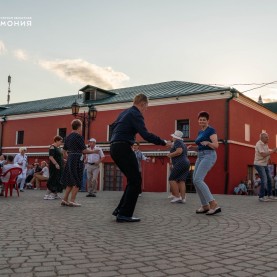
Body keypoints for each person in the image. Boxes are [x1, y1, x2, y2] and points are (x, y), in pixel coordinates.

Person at [110, 93, 171, 222]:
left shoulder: (124, 113)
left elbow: (114, 127)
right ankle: (124, 214)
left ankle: (120, 210)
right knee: (136, 181)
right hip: (123, 147)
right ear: (142, 103)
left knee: (133, 179)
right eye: (146, 106)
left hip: (114, 147)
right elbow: (145, 134)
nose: (146, 109)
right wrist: (164, 142)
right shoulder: (136, 113)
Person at [60, 119, 99, 207]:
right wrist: (94, 151)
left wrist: (67, 157)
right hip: (77, 159)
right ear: (79, 127)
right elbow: (84, 150)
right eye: (81, 126)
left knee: (70, 181)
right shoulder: (78, 136)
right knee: (77, 181)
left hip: (70, 158)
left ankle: (64, 199)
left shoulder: (68, 137)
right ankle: (72, 201)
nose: (81, 128)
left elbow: (64, 150)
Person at [192, 111, 221, 215]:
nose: (202, 121)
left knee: (198, 179)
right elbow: (201, 146)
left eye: (204, 119)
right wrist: (194, 148)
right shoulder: (200, 132)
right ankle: (205, 205)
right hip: (200, 155)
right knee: (195, 180)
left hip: (209, 155)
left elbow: (216, 145)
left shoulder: (211, 130)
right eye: (200, 119)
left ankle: (213, 204)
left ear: (208, 121)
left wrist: (208, 143)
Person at [167, 130, 190, 203]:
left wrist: (170, 155)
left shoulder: (177, 142)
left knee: (172, 179)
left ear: (175, 137)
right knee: (181, 180)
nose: (172, 138)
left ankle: (177, 197)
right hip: (186, 162)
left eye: (173, 137)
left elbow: (179, 151)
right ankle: (183, 198)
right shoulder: (183, 143)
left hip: (180, 162)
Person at [254, 132, 277, 201]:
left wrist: (269, 159)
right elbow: (263, 154)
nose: (268, 138)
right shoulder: (259, 144)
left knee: (269, 179)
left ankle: (270, 195)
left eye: (268, 137)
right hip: (259, 164)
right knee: (264, 179)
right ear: (262, 138)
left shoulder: (265, 144)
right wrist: (273, 150)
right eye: (266, 137)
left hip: (264, 164)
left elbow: (267, 152)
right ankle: (261, 197)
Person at [44, 135, 64, 200]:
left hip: (60, 166)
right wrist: (56, 164)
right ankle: (48, 194)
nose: (61, 143)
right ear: (56, 141)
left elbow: (59, 157)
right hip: (54, 166)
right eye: (60, 141)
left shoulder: (59, 148)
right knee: (53, 179)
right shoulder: (52, 147)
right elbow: (51, 157)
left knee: (58, 179)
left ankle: (55, 194)